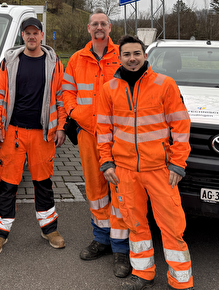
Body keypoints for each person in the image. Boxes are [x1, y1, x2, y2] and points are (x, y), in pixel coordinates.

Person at [96, 35, 194, 290]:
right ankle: (143, 273)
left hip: (160, 170)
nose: (132, 59)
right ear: (119, 58)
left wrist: (178, 164)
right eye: (127, 54)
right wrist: (106, 163)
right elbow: (104, 130)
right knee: (135, 225)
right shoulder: (109, 89)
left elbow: (181, 127)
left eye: (136, 53)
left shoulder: (165, 85)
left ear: (145, 56)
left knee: (172, 226)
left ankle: (181, 280)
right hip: (125, 172)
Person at [0, 17, 67, 255]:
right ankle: (0, 233)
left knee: (43, 184)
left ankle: (49, 228)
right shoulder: (10, 61)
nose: (32, 37)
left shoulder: (54, 62)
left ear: (42, 35)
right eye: (27, 33)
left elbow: (61, 96)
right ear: (22, 36)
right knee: (7, 184)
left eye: (36, 33)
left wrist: (61, 126)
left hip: (43, 134)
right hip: (13, 132)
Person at [61, 8, 131, 278]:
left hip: (118, 135)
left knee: (119, 190)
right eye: (95, 24)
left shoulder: (122, 54)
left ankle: (121, 248)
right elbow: (67, 90)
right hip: (89, 133)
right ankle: (101, 239)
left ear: (110, 28)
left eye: (103, 23)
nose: (99, 27)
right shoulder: (77, 59)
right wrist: (74, 113)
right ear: (88, 29)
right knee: (95, 188)